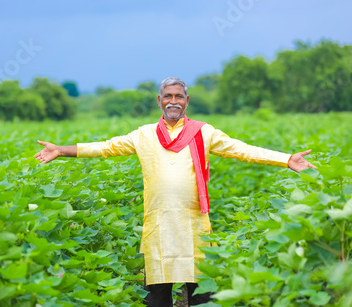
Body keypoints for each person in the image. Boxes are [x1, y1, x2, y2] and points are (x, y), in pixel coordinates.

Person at [34, 77, 316, 306]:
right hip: (159, 223)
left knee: (201, 292)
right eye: (168, 96)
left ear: (187, 101)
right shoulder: (143, 134)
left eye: (179, 96)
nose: (173, 101)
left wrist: (285, 159)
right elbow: (105, 146)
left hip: (193, 222)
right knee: (157, 295)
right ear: (159, 101)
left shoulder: (203, 132)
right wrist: (61, 150)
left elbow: (242, 150)